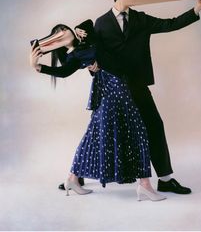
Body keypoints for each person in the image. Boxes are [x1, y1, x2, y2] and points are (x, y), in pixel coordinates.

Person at [90, 0, 201, 194]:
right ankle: (76, 175)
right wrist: (92, 68)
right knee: (98, 130)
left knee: (154, 126)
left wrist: (196, 9)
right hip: (112, 88)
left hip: (137, 85)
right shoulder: (101, 23)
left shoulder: (141, 19)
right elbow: (93, 55)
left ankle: (165, 179)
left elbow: (169, 24)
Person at [30, 22, 166, 201]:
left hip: (117, 88)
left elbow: (89, 27)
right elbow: (63, 72)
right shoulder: (75, 55)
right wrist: (37, 66)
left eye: (63, 29)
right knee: (136, 132)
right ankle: (145, 185)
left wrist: (82, 31)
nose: (63, 34)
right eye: (57, 35)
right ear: (56, 43)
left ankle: (72, 179)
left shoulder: (86, 38)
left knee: (95, 134)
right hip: (112, 90)